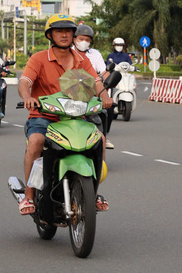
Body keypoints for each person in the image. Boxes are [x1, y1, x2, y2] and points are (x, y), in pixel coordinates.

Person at [18, 14, 114, 215]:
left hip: (75, 117)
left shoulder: (82, 59)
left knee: (100, 140)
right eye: (59, 31)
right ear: (50, 35)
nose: (64, 35)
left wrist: (105, 97)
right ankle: (28, 195)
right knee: (36, 141)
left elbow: (96, 82)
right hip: (44, 116)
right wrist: (27, 96)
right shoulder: (39, 59)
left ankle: (94, 192)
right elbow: (25, 81)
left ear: (73, 35)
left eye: (68, 31)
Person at [74, 24, 115, 149]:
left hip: (92, 91)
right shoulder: (68, 53)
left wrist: (106, 85)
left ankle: (103, 136)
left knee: (108, 110)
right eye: (81, 39)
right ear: (74, 39)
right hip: (71, 91)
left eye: (87, 40)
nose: (84, 42)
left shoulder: (95, 54)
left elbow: (104, 72)